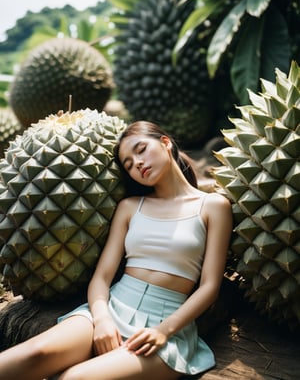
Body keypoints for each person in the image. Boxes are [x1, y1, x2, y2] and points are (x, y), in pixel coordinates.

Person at [0, 120, 232, 380]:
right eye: (129, 164)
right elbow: (102, 277)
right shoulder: (130, 207)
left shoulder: (213, 205)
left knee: (74, 379)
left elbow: (209, 287)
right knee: (34, 354)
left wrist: (163, 331)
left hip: (166, 326)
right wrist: (101, 320)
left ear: (165, 142)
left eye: (141, 149)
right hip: (111, 307)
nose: (138, 164)